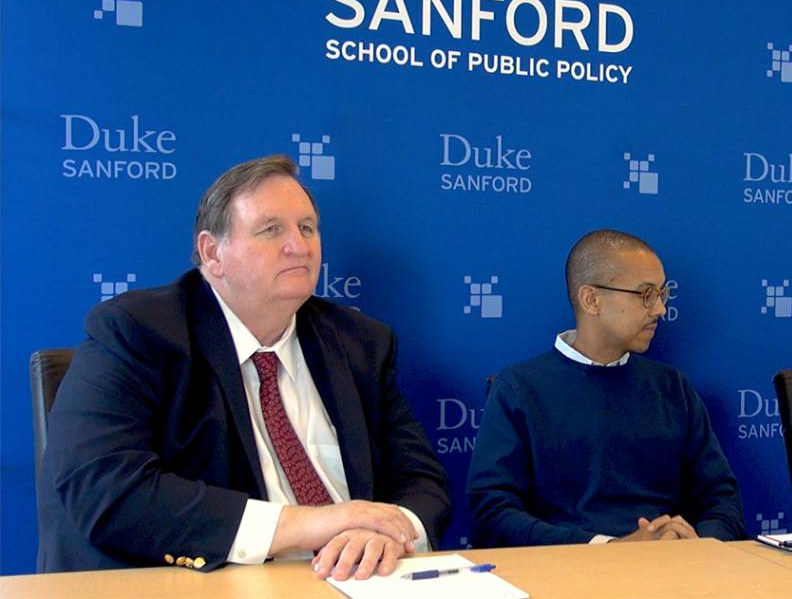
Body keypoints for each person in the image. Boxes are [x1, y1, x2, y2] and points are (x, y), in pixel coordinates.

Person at [37, 155, 450, 581]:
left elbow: (421, 479)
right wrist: (305, 523)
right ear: (212, 253)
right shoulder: (138, 332)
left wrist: (390, 531)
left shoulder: (360, 342)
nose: (299, 246)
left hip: (356, 582)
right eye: (272, 230)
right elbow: (106, 490)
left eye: (307, 228)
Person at [466, 229, 744, 546]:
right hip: (565, 577)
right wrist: (609, 549)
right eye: (646, 295)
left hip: (676, 573)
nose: (660, 310)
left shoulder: (671, 387)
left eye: (662, 294)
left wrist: (698, 543)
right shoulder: (520, 389)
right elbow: (492, 515)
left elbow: (722, 498)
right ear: (592, 300)